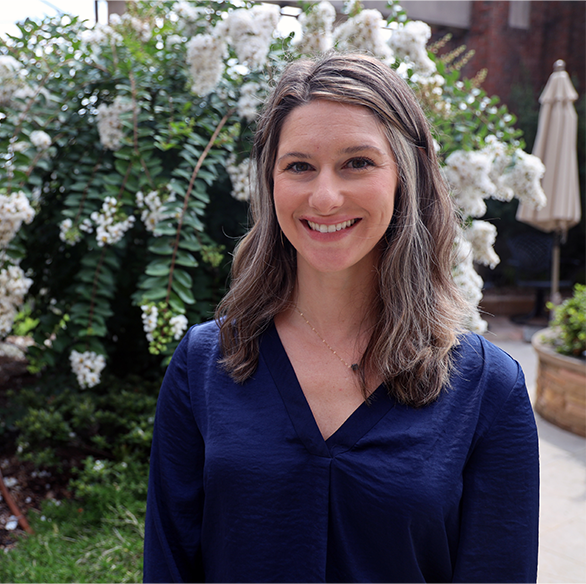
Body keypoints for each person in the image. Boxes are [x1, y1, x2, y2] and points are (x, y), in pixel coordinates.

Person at [143, 53, 539, 583]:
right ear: (271, 182)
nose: (325, 197)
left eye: (357, 162)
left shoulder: (487, 390)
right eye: (299, 166)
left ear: (406, 176)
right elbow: (168, 567)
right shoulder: (203, 365)